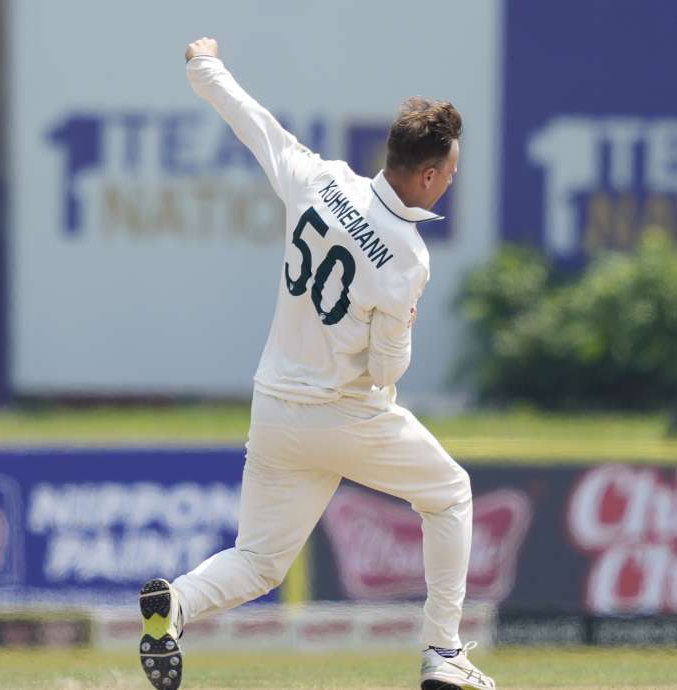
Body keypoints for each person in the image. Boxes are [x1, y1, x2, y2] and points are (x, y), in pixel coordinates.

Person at [136, 38, 494, 690]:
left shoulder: (321, 179)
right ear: (430, 175)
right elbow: (385, 372)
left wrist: (206, 67)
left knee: (259, 561)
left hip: (274, 406)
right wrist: (401, 331)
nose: (452, 179)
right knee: (449, 495)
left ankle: (177, 605)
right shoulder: (408, 256)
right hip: (344, 412)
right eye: (451, 170)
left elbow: (256, 127)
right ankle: (444, 652)